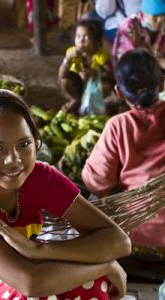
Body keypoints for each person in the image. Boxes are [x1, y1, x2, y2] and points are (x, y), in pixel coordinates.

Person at [0, 89, 131, 300]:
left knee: (88, 283)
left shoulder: (41, 178)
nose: (14, 160)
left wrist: (40, 250)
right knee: (43, 289)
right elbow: (28, 284)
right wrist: (105, 266)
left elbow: (119, 242)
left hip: (27, 271)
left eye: (24, 144)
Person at [82, 48, 165, 258]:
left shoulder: (118, 126)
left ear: (118, 92)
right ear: (162, 84)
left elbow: (97, 183)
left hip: (136, 237)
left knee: (91, 201)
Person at [58, 18, 114, 116]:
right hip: (78, 84)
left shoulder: (101, 55)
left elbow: (111, 75)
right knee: (64, 81)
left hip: (94, 88)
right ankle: (76, 100)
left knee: (106, 85)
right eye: (78, 36)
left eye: (86, 38)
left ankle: (94, 104)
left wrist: (95, 72)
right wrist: (67, 59)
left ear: (96, 41)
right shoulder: (71, 52)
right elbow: (61, 74)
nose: (81, 41)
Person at [112, 0, 165, 69]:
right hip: (134, 74)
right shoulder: (129, 27)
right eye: (155, 16)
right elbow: (128, 65)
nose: (160, 20)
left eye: (163, 15)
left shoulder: (163, 26)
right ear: (145, 13)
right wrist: (158, 61)